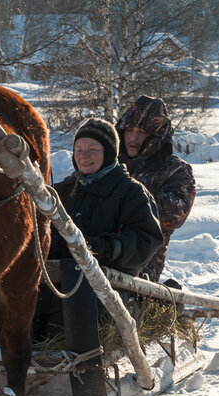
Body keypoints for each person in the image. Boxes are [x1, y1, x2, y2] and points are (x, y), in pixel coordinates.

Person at [33, 117, 162, 341]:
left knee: (69, 323)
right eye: (79, 149)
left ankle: (85, 369)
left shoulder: (131, 193)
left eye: (93, 149)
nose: (84, 155)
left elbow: (145, 240)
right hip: (59, 279)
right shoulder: (63, 191)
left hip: (108, 286)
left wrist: (107, 248)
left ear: (109, 153)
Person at [115, 95, 196, 283]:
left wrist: (125, 196)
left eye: (142, 132)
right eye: (129, 130)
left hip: (142, 265)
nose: (133, 137)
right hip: (96, 250)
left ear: (155, 135)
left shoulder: (176, 170)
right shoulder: (110, 162)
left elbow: (175, 214)